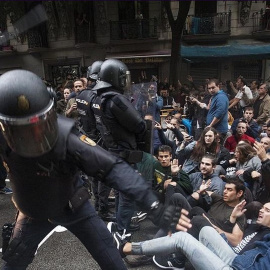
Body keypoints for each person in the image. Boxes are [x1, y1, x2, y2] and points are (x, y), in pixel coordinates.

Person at [0, 70, 180, 270]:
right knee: (12, 265)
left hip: (73, 206)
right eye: (21, 131)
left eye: (39, 125)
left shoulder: (66, 139)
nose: (33, 137)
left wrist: (153, 205)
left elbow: (111, 168)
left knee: (114, 264)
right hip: (34, 211)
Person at [91, 59, 151, 234]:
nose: (126, 81)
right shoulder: (116, 99)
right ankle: (122, 234)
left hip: (113, 152)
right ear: (115, 78)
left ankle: (119, 226)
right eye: (123, 78)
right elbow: (139, 125)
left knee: (120, 193)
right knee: (127, 196)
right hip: (124, 155)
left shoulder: (99, 96)